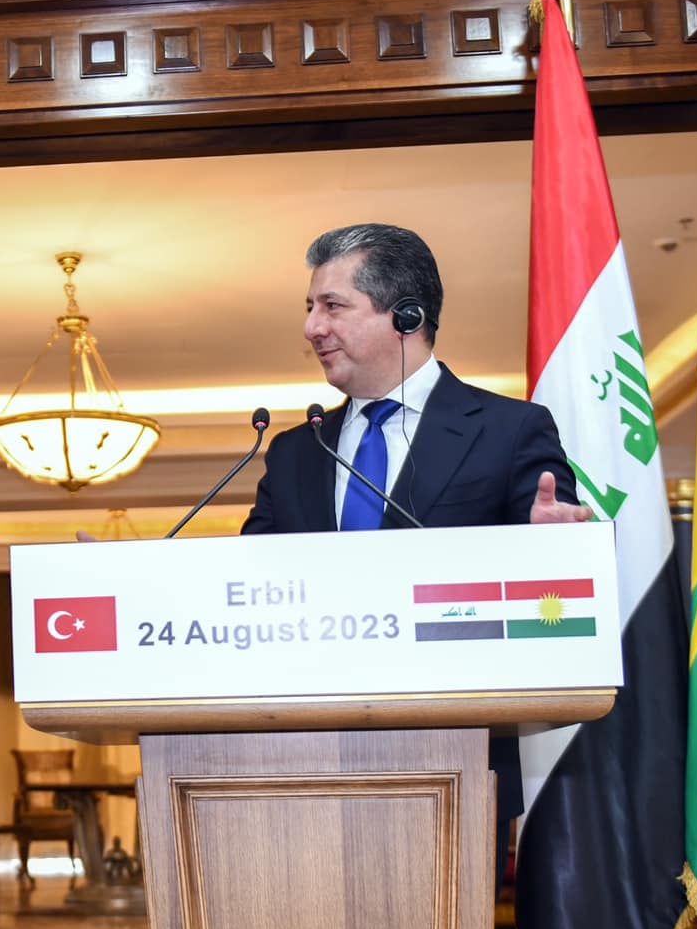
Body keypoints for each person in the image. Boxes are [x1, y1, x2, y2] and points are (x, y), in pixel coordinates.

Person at [243, 221, 591, 827]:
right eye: (309, 307)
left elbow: (552, 600)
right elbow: (244, 584)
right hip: (295, 764)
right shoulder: (295, 451)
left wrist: (552, 554)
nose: (311, 328)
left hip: (451, 762)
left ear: (405, 315)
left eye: (332, 306)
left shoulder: (510, 431)